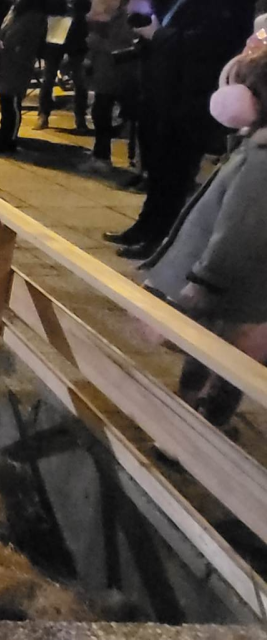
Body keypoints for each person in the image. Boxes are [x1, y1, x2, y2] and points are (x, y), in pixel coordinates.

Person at [106, 0, 258, 259]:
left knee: (175, 172)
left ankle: (160, 236)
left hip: (189, 97)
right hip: (164, 93)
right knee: (159, 167)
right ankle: (146, 225)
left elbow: (210, 42)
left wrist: (158, 34)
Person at [141, 46, 267, 428]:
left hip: (232, 291)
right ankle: (197, 420)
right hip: (240, 291)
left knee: (221, 359)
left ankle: (194, 432)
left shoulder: (263, 158)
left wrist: (202, 281)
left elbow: (240, 229)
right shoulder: (255, 146)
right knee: (214, 354)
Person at [0, 0, 47, 153]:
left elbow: (29, 37)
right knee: (5, 98)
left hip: (18, 61)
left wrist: (11, 45)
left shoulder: (34, 12)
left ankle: (9, 137)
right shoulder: (17, 6)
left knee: (12, 99)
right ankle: (3, 131)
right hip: (7, 58)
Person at [38, 0, 100, 131]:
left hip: (78, 33)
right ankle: (43, 114)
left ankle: (80, 117)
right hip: (57, 30)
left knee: (79, 78)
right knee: (49, 75)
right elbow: (47, 6)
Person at [84, 0, 136, 168]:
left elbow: (124, 48)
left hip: (116, 75)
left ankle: (109, 156)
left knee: (105, 114)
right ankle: (100, 153)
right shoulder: (103, 20)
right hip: (103, 73)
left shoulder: (123, 20)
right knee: (100, 113)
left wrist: (99, 44)